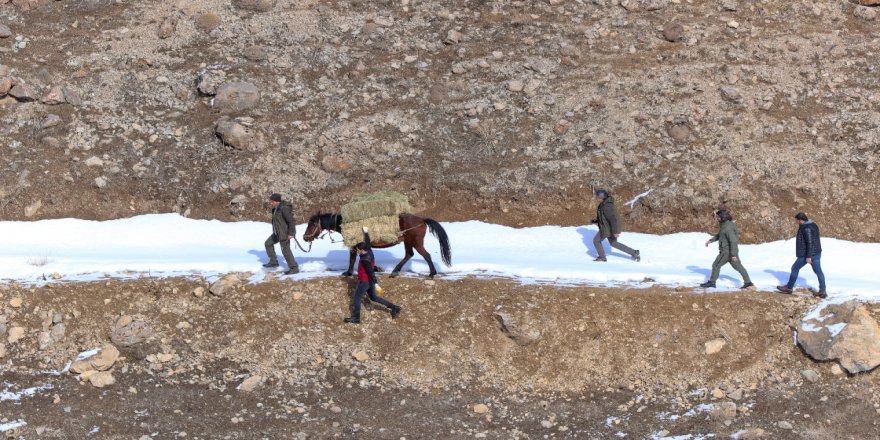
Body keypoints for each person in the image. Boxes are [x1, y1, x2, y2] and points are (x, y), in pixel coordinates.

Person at [344, 227, 401, 324]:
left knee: (357, 298)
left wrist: (376, 283)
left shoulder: (364, 260)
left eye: (358, 250)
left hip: (365, 281)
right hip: (369, 281)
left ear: (362, 250)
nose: (357, 252)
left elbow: (371, 272)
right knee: (374, 298)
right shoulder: (369, 251)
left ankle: (356, 317)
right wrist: (366, 232)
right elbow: (368, 242)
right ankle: (394, 307)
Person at [777, 212, 826, 298]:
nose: (796, 222)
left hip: (807, 254)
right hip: (817, 252)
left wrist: (809, 256)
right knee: (818, 272)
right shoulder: (813, 224)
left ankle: (789, 288)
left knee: (795, 268)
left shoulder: (806, 228)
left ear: (801, 220)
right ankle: (823, 290)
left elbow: (809, 243)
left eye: (797, 220)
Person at [700, 209, 753, 289]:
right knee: (739, 267)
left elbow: (733, 241)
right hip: (730, 252)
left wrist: (734, 254)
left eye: (718, 217)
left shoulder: (728, 228)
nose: (717, 218)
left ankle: (712, 282)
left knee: (716, 265)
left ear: (723, 217)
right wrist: (711, 240)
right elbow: (720, 235)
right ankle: (748, 282)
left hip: (727, 252)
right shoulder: (725, 225)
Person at [590, 189, 640, 262]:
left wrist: (616, 231)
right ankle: (634, 252)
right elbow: (605, 218)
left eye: (597, 197)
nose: (596, 198)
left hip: (607, 228)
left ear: (601, 197)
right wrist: (596, 221)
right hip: (608, 228)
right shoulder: (604, 204)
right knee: (614, 243)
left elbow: (613, 219)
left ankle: (602, 257)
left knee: (596, 241)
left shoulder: (606, 206)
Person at [263, 193, 299, 275]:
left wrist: (291, 233)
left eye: (272, 201)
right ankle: (273, 262)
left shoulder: (284, 209)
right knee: (268, 243)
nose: (271, 203)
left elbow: (291, 221)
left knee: (286, 251)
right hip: (277, 233)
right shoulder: (275, 209)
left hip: (284, 234)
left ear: (276, 201)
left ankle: (294, 268)